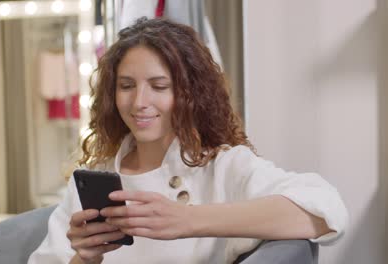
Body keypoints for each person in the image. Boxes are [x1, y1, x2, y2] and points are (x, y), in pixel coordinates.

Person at [28, 17, 348, 264]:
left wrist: (188, 220)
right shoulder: (91, 179)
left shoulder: (221, 166)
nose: (139, 101)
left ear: (189, 95)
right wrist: (85, 257)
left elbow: (325, 211)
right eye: (126, 86)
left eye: (159, 85)